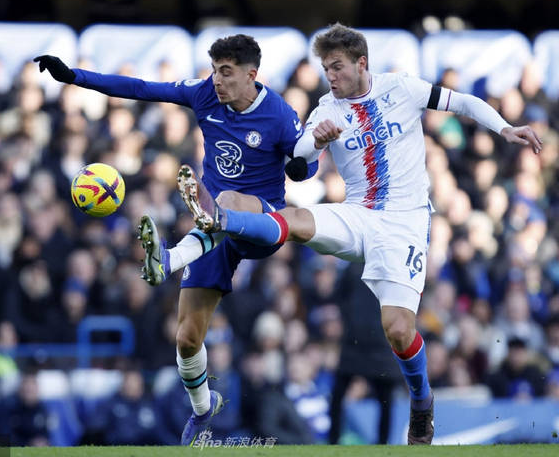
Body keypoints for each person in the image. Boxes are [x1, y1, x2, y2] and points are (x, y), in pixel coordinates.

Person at [161, 23, 544, 445]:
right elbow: (297, 164)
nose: (331, 76)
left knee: (398, 330)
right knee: (296, 220)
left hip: (405, 222)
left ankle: (422, 400)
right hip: (357, 213)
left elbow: (462, 101)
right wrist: (314, 143)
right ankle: (222, 220)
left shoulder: (402, 88)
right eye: (326, 69)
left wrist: (504, 128)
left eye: (337, 67)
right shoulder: (326, 109)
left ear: (362, 63)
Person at [34, 34, 316, 445]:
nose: (216, 80)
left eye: (226, 72)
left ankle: (169, 259)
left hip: (262, 223)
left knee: (226, 201)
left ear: (251, 74)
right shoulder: (204, 95)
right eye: (214, 70)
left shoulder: (279, 113)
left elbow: (306, 167)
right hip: (212, 230)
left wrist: (303, 162)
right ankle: (203, 409)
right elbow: (141, 88)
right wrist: (75, 77)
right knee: (186, 339)